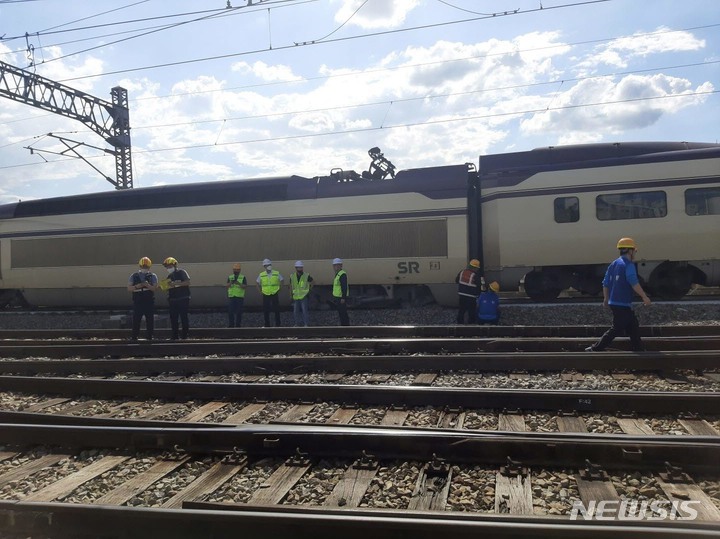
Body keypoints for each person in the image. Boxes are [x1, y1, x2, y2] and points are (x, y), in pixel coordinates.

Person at [586, 237, 652, 352]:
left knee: (633, 326)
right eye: (635, 251)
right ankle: (595, 348)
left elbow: (605, 283)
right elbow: (634, 282)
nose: (635, 253)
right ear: (630, 251)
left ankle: (639, 349)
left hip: (616, 303)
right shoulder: (628, 265)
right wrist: (644, 296)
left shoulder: (613, 264)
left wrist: (606, 299)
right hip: (622, 303)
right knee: (617, 328)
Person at [127, 257, 158, 341]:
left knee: (150, 319)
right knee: (136, 319)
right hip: (138, 300)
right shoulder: (134, 275)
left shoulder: (153, 276)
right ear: (140, 266)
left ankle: (150, 336)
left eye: (146, 267)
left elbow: (155, 288)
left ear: (149, 267)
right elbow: (129, 288)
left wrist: (147, 285)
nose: (144, 268)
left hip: (149, 300)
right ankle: (134, 336)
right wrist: (138, 286)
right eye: (143, 266)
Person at [163, 256, 191, 340]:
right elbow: (164, 287)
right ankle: (174, 336)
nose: (168, 268)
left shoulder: (182, 272)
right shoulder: (169, 276)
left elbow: (187, 282)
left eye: (170, 266)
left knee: (183, 317)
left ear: (175, 265)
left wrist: (175, 284)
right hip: (173, 300)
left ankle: (184, 336)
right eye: (167, 267)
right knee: (173, 318)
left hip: (183, 298)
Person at [455, 258, 484, 324]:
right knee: (471, 311)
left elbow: (456, 280)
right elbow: (479, 285)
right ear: (475, 268)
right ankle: (471, 323)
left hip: (462, 295)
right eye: (477, 268)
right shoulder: (475, 275)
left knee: (462, 310)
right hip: (471, 296)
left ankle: (460, 323)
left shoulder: (462, 272)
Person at [256, 258, 283, 327]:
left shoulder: (276, 273)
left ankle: (278, 324)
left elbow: (282, 280)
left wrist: (280, 288)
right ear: (264, 266)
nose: (267, 266)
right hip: (265, 294)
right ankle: (267, 324)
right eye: (266, 265)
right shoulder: (261, 274)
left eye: (268, 265)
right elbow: (257, 283)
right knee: (266, 310)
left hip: (274, 293)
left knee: (276, 309)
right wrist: (260, 291)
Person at [290, 261, 313, 327]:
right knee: (295, 311)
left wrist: (309, 289)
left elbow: (312, 282)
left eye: (301, 267)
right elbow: (291, 286)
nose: (300, 269)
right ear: (296, 268)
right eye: (299, 268)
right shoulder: (292, 276)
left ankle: (306, 324)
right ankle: (297, 323)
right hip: (296, 296)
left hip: (304, 296)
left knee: (304, 311)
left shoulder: (306, 275)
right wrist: (290, 295)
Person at [226, 263, 247, 327]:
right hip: (232, 297)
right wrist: (231, 282)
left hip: (239, 297)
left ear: (239, 270)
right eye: (234, 269)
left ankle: (238, 325)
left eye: (237, 269)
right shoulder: (230, 277)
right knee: (230, 312)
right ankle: (231, 325)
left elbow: (245, 286)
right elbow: (227, 286)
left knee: (239, 312)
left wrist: (238, 283)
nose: (235, 271)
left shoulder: (243, 277)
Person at [332, 258, 350, 326]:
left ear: (341, 266)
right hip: (338, 297)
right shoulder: (338, 274)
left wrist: (343, 297)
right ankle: (343, 325)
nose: (335, 267)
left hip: (341, 298)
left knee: (343, 313)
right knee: (341, 312)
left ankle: (345, 326)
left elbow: (344, 287)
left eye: (337, 265)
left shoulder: (342, 274)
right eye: (334, 265)